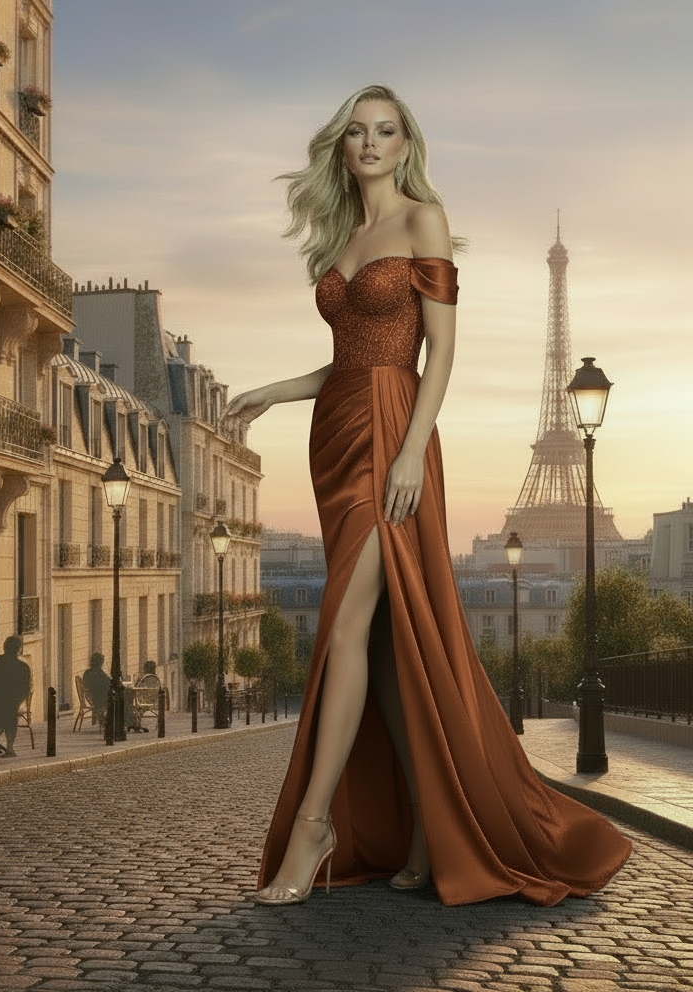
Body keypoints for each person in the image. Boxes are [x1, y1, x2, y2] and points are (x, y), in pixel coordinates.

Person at [224, 84, 631, 907]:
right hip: (336, 432)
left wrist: (412, 451)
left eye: (386, 131)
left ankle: (313, 828)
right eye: (357, 133)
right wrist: (276, 388)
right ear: (342, 147)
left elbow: (437, 352)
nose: (370, 144)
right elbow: (346, 356)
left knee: (341, 623)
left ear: (406, 145)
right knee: (380, 651)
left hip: (392, 433)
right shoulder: (344, 233)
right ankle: (420, 829)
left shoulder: (423, 220)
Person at [81, 652, 111, 727]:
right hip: (100, 698)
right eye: (101, 662)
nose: (102, 664)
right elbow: (104, 683)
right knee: (122, 698)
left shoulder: (89, 672)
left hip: (96, 697)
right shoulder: (96, 673)